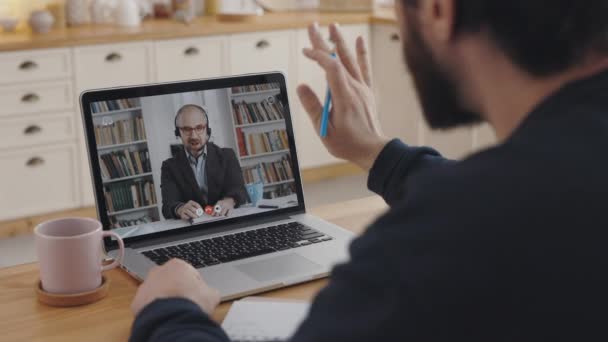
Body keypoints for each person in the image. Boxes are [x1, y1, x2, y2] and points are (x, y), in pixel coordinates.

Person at [131, 1, 608, 340]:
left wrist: (167, 314)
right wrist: (381, 153)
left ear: (439, 10)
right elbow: (511, 200)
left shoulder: (430, 246)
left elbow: (479, 214)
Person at [161, 104, 248, 220]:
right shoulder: (169, 167)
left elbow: (240, 191)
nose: (194, 135)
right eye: (186, 129)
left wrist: (230, 201)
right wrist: (179, 209)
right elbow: (168, 206)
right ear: (178, 132)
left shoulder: (227, 156)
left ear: (207, 129)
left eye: (199, 127)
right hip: (192, 228)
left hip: (225, 220)